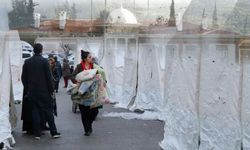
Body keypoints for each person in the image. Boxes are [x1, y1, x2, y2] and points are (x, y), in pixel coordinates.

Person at [21, 43, 61, 140]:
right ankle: (54, 132)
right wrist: (51, 90)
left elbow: (23, 77)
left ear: (33, 50)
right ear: (41, 50)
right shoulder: (44, 61)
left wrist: (28, 89)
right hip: (44, 92)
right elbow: (48, 77)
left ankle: (37, 133)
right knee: (48, 112)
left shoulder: (27, 62)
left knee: (35, 112)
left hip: (32, 92)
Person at [71, 50, 107, 136]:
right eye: (89, 57)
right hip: (82, 93)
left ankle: (89, 124)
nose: (91, 58)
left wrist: (101, 83)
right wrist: (78, 81)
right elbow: (73, 77)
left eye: (91, 57)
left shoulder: (94, 66)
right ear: (85, 59)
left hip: (93, 93)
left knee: (94, 111)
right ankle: (87, 129)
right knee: (84, 112)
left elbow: (99, 75)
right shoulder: (79, 67)